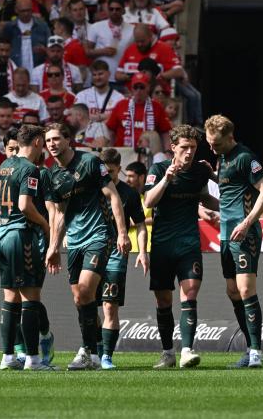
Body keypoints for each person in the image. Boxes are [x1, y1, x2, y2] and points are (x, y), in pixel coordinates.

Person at [45, 122, 131, 370]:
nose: (52, 144)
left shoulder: (91, 162)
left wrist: (122, 233)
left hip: (99, 235)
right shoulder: (53, 175)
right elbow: (59, 215)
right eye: (48, 140)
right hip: (74, 241)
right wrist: (53, 246)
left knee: (84, 291)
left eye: (56, 139)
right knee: (81, 298)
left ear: (68, 140)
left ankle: (86, 351)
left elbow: (113, 195)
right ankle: (93, 353)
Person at [0, 124, 55, 371]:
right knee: (31, 297)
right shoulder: (30, 169)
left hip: (3, 236)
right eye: (42, 141)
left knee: (10, 298)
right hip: (22, 236)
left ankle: (8, 357)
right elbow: (25, 205)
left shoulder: (4, 166)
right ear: (36, 143)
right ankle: (33, 359)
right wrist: (44, 224)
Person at [143, 124, 218, 368]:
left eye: (193, 148)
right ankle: (168, 353)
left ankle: (187, 349)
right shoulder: (158, 169)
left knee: (191, 291)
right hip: (163, 244)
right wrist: (167, 179)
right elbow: (149, 201)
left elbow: (205, 197)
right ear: (173, 147)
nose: (189, 152)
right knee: (163, 301)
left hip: (188, 242)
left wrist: (226, 200)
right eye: (184, 147)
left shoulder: (199, 172)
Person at [204, 115, 263, 368]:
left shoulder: (246, 157)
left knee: (246, 290)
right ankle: (249, 347)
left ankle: (256, 351)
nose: (213, 148)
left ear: (230, 137)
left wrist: (246, 223)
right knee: (232, 291)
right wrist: (211, 175)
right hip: (225, 233)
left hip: (245, 232)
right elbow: (231, 188)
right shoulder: (221, 158)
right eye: (210, 144)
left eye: (217, 144)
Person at [97, 148, 148, 369]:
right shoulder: (93, 189)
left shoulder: (129, 193)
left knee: (109, 305)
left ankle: (107, 356)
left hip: (116, 252)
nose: (107, 175)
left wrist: (143, 252)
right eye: (104, 171)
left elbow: (140, 225)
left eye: (111, 171)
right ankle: (94, 350)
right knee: (88, 303)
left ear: (119, 168)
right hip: (92, 249)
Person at [105, 71, 171, 147]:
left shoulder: (157, 106)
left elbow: (165, 132)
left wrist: (167, 151)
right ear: (131, 89)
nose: (138, 90)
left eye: (142, 87)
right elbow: (110, 131)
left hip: (149, 153)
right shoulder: (121, 104)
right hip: (123, 153)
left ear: (148, 88)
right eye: (135, 87)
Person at [85, 0, 134, 84]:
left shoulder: (132, 29)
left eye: (117, 9)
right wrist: (103, 51)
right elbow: (87, 52)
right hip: (101, 78)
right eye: (111, 9)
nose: (114, 12)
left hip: (122, 77)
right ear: (108, 10)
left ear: (124, 11)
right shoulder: (95, 27)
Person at [74, 59, 124, 143]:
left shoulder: (119, 97)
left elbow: (119, 119)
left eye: (100, 74)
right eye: (94, 75)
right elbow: (77, 118)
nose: (97, 77)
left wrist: (96, 118)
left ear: (108, 74)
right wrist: (107, 116)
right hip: (86, 137)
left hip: (109, 138)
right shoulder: (82, 95)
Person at [0, 0, 51, 70]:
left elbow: (52, 49)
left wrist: (45, 50)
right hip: (16, 70)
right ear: (16, 10)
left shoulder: (43, 26)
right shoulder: (9, 28)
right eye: (23, 11)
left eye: (28, 10)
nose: (26, 13)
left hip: (38, 70)